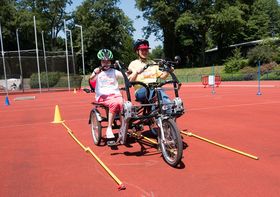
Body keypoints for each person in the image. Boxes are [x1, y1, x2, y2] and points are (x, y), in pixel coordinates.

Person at [89, 49, 124, 146]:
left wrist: (126, 71)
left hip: (115, 95)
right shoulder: (97, 71)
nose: (106, 63)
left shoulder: (114, 71)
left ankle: (122, 128)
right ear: (100, 62)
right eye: (104, 61)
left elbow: (125, 76)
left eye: (108, 61)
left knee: (122, 103)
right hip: (102, 95)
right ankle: (109, 129)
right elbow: (91, 80)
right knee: (115, 103)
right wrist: (96, 73)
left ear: (111, 62)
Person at [128, 39, 173, 104]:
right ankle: (167, 106)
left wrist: (168, 70)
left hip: (155, 89)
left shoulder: (152, 63)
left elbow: (163, 76)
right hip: (140, 91)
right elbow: (130, 81)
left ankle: (165, 106)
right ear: (137, 51)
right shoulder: (133, 64)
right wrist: (136, 72)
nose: (145, 52)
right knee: (155, 90)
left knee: (158, 89)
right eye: (142, 50)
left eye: (146, 50)